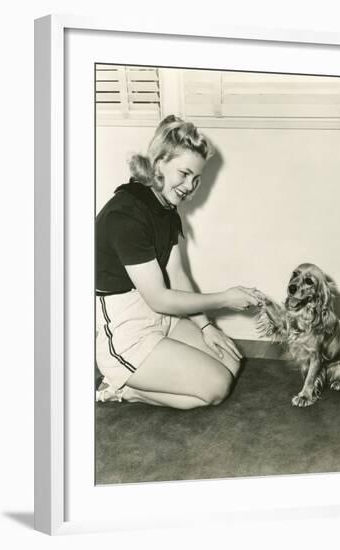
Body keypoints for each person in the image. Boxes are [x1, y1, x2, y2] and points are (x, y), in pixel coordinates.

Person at [95, 114, 260, 409]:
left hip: (161, 319)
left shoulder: (166, 209)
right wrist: (223, 299)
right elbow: (159, 298)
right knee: (216, 387)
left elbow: (179, 278)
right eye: (184, 173)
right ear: (159, 163)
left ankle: (134, 379)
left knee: (230, 364)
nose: (190, 186)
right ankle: (122, 386)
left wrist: (206, 327)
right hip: (127, 331)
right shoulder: (126, 215)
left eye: (196, 179)